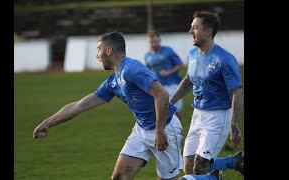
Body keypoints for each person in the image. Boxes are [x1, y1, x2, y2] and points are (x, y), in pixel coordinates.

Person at [33, 31, 184, 180]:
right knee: (119, 176)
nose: (97, 55)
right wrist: (48, 122)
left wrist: (159, 131)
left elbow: (162, 95)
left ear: (109, 50)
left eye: (98, 50)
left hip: (166, 128)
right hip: (141, 129)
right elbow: (79, 105)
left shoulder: (132, 69)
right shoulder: (113, 82)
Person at [170, 11, 244, 175]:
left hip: (218, 117)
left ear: (208, 31)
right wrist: (171, 101)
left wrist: (233, 124)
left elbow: (237, 93)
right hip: (198, 115)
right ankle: (228, 165)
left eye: (195, 28)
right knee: (188, 167)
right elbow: (189, 80)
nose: (190, 32)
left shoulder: (224, 59)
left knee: (200, 167)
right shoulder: (192, 54)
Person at [144, 31, 185, 120]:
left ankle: (179, 129)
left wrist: (168, 72)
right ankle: (167, 131)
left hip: (172, 85)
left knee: (176, 110)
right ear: (148, 42)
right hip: (158, 87)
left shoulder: (168, 51)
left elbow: (180, 65)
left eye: (156, 41)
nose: (154, 44)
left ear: (159, 40)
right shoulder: (147, 56)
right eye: (151, 42)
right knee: (162, 112)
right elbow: (148, 72)